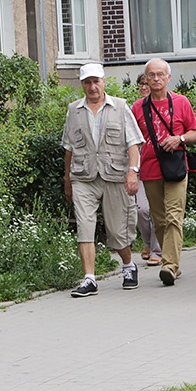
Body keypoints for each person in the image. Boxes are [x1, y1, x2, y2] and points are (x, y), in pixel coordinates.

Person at [63, 63, 143, 297]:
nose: (92, 86)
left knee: (117, 231)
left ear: (104, 82)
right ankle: (89, 278)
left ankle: (128, 265)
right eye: (87, 82)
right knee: (84, 227)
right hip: (83, 176)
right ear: (82, 85)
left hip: (114, 174)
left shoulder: (119, 107)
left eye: (96, 81)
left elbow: (133, 142)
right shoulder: (74, 110)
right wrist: (67, 180)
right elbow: (68, 148)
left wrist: (132, 171)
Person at [131, 59, 196, 286]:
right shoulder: (137, 107)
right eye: (151, 75)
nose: (156, 79)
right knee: (159, 220)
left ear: (168, 77)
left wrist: (178, 138)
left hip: (175, 168)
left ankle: (170, 265)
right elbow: (132, 140)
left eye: (160, 75)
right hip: (150, 169)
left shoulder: (181, 102)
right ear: (146, 79)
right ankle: (170, 260)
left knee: (173, 216)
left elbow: (195, 133)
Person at [132, 74, 162, 267]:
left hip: (158, 165)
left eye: (146, 84)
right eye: (141, 84)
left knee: (158, 210)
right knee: (142, 209)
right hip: (139, 165)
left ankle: (157, 251)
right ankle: (148, 243)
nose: (144, 87)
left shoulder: (163, 105)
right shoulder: (135, 108)